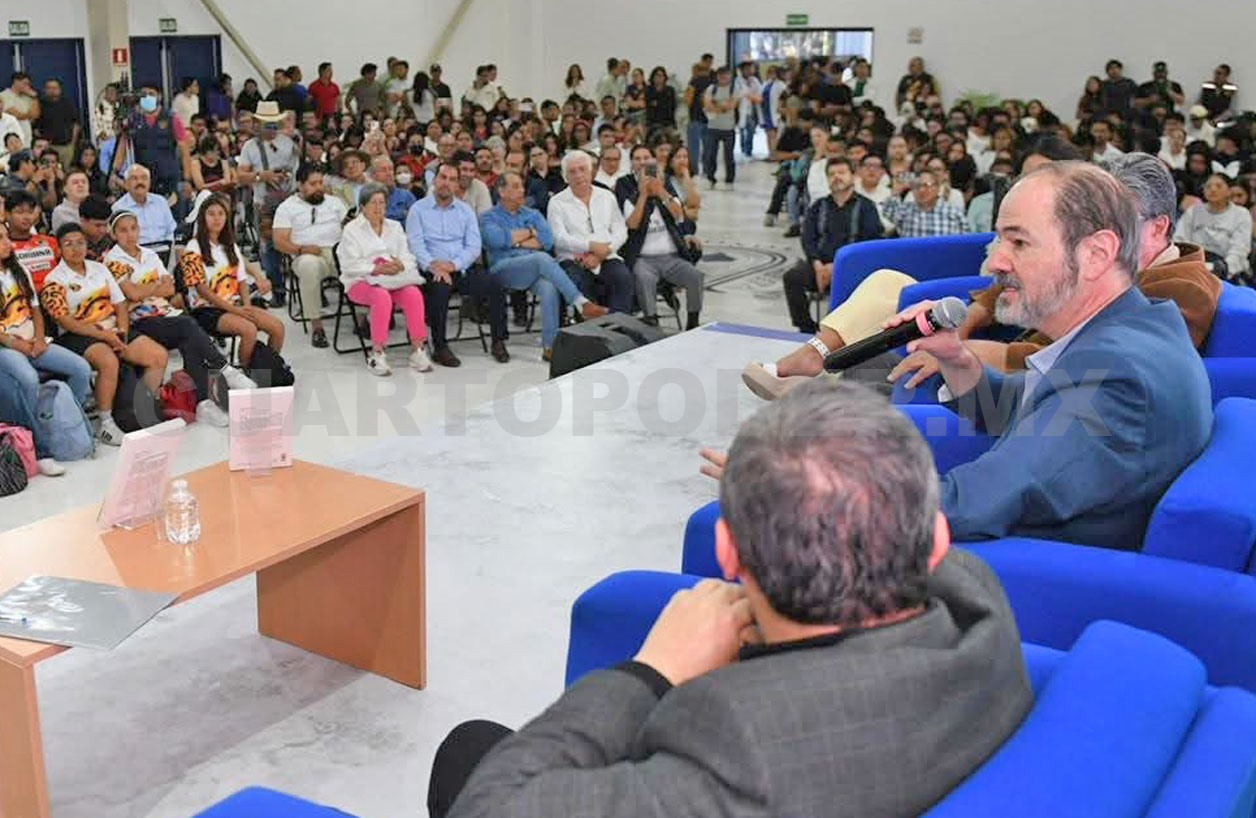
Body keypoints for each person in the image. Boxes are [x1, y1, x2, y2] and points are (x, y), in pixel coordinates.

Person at [428, 379, 1032, 818]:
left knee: (468, 753)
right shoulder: (980, 608)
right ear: (936, 541)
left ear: (726, 551)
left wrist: (650, 671)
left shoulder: (737, 745)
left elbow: (488, 807)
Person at [892, 161, 1210, 547]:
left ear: (1096, 254)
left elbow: (969, 506)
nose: (995, 262)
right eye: (1000, 240)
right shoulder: (1138, 326)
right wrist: (954, 358)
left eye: (1019, 243)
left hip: (1023, 570)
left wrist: (835, 502)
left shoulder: (1115, 375)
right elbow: (1016, 407)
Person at [104, 211, 255, 427]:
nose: (130, 235)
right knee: (187, 325)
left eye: (133, 228)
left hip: (164, 313)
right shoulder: (113, 259)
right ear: (114, 234)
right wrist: (154, 286)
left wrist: (145, 289)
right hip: (138, 319)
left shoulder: (149, 254)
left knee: (189, 339)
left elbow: (170, 288)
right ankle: (224, 369)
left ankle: (203, 403)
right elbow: (133, 294)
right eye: (123, 230)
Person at [42, 223, 168, 445]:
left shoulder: (99, 269)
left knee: (158, 356)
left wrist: (122, 332)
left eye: (80, 243)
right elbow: (64, 321)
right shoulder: (53, 280)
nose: (76, 249)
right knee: (108, 360)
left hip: (112, 329)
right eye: (69, 244)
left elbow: (120, 305)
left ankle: (141, 406)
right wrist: (106, 336)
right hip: (77, 334)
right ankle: (106, 423)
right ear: (59, 249)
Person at [480, 172, 608, 361]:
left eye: (521, 185)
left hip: (533, 268)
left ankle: (550, 346)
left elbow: (547, 241)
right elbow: (496, 240)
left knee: (548, 287)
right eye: (515, 186)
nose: (522, 190)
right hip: (503, 270)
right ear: (501, 191)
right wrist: (531, 233)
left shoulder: (532, 213)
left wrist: (514, 241)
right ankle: (581, 303)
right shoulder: (488, 217)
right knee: (542, 258)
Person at [0, 221, 90, 474]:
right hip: (6, 346)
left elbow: (36, 311)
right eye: (1, 238)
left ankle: (63, 424)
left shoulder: (19, 270)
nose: (7, 243)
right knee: (27, 379)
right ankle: (36, 444)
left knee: (80, 368)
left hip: (32, 340)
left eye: (6, 237)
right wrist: (16, 344)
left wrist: (39, 339)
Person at [405, 162, 497, 369]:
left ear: (457, 185)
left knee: (493, 283)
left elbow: (474, 246)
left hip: (459, 267)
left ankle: (498, 341)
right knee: (439, 288)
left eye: (452, 179)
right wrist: (433, 266)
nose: (446, 183)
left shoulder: (465, 210)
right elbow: (415, 245)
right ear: (435, 180)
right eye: (443, 177)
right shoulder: (418, 209)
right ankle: (440, 347)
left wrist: (453, 265)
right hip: (430, 269)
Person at [335, 183, 433, 376]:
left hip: (392, 278)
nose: (378, 207)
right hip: (360, 280)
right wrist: (375, 269)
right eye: (373, 203)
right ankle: (377, 353)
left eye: (382, 203)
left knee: (413, 294)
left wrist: (400, 265)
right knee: (381, 297)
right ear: (362, 206)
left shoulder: (395, 227)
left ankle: (418, 350)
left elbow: (408, 256)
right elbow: (349, 265)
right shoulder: (351, 230)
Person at [781, 158, 884, 333]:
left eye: (841, 173)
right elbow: (808, 238)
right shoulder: (818, 206)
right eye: (831, 174)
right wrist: (816, 263)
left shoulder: (866, 207)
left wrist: (837, 267)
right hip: (819, 266)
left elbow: (871, 242)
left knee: (854, 285)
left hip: (852, 267)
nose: (836, 177)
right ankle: (806, 328)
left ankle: (836, 332)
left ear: (853, 176)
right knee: (792, 277)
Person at [183, 193, 285, 369]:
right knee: (248, 330)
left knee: (277, 328)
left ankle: (266, 371)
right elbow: (201, 290)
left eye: (221, 214)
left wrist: (246, 307)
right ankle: (244, 375)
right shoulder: (193, 247)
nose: (217, 218)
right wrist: (236, 311)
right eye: (211, 214)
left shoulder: (230, 246)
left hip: (234, 304)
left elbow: (242, 280)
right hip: (206, 309)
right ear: (202, 218)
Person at [617, 147, 704, 329]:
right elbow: (632, 224)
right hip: (643, 258)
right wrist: (643, 195)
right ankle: (651, 320)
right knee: (643, 278)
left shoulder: (668, 194)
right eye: (646, 178)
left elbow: (679, 216)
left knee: (695, 277)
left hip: (671, 257)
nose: (651, 180)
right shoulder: (629, 196)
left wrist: (661, 191)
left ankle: (693, 322)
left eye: (655, 176)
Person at [546, 151, 633, 314]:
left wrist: (603, 252)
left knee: (623, 277)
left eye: (582, 169)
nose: (578, 175)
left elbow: (621, 230)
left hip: (606, 256)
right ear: (565, 177)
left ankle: (619, 324)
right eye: (572, 171)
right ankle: (593, 327)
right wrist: (590, 246)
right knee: (580, 282)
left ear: (591, 171)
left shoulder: (607, 196)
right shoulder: (556, 202)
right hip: (573, 259)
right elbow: (559, 238)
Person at [272, 164, 348, 348]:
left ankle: (362, 320)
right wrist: (301, 249)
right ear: (300, 185)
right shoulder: (287, 208)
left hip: (338, 252)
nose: (319, 187)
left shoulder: (335, 203)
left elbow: (351, 226)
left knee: (359, 262)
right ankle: (317, 326)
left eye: (321, 183)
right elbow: (279, 241)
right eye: (313, 184)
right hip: (305, 254)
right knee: (309, 266)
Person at [112, 86, 190, 199]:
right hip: (143, 179)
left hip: (168, 177)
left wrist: (187, 179)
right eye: (144, 94)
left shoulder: (172, 118)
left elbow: (184, 150)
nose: (147, 97)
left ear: (159, 96)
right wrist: (115, 171)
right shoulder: (133, 120)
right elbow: (122, 148)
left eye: (151, 93)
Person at [1174, 173, 1254, 281]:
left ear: (1229, 191)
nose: (1212, 189)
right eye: (1208, 186)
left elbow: (1240, 249)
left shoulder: (1241, 214)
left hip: (1227, 269)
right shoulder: (1193, 211)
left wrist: (1223, 269)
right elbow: (1179, 240)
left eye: (1218, 186)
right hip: (1195, 265)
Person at [111, 165, 177, 264]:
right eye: (134, 178)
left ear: (149, 182)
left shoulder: (161, 201)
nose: (140, 182)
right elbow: (121, 240)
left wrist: (168, 249)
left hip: (165, 251)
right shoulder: (119, 207)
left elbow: (171, 230)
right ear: (126, 184)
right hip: (136, 256)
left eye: (144, 178)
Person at [882, 170, 967, 238]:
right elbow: (887, 211)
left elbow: (965, 241)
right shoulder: (905, 210)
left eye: (926, 185)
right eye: (917, 186)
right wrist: (895, 192)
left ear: (937, 188)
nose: (921, 190)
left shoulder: (954, 213)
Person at [4, 190, 58, 291]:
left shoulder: (51, 242)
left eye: (30, 212)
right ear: (7, 214)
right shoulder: (3, 247)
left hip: (55, 292)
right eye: (20, 212)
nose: (26, 217)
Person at [701, 67, 739, 188]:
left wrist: (716, 104)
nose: (723, 77)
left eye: (726, 75)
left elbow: (731, 105)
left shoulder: (734, 89)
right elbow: (707, 106)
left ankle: (730, 178)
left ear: (730, 76)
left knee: (729, 155)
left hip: (729, 128)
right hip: (713, 127)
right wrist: (722, 106)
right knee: (710, 154)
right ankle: (710, 177)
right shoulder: (711, 89)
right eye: (721, 75)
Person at [35, 79, 80, 171]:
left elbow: (76, 124)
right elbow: (35, 127)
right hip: (48, 148)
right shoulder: (40, 104)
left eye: (54, 88)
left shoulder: (67, 104)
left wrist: (72, 143)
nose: (52, 90)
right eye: (49, 88)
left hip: (66, 147)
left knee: (66, 171)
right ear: (45, 90)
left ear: (60, 89)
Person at [368, 154, 417, 223]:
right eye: (383, 170)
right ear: (373, 175)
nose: (388, 173)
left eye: (390, 169)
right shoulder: (367, 197)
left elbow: (416, 221)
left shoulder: (406, 196)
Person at [0, 72, 40, 147]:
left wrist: (34, 97)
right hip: (10, 139)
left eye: (28, 84)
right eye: (25, 83)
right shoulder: (3, 96)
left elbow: (35, 115)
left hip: (27, 138)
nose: (27, 87)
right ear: (16, 82)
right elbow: (16, 115)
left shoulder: (28, 97)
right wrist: (28, 115)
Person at [734, 62, 762, 158]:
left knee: (751, 130)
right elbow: (738, 94)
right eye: (746, 69)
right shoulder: (737, 81)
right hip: (742, 108)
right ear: (742, 70)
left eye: (750, 69)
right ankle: (745, 149)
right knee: (744, 129)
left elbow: (759, 92)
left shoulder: (755, 80)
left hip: (753, 107)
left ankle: (748, 149)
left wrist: (751, 95)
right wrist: (748, 94)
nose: (749, 71)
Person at [50, 168, 90, 232]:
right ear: (65, 189)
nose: (81, 185)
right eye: (75, 182)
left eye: (84, 182)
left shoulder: (96, 206)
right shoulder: (60, 211)